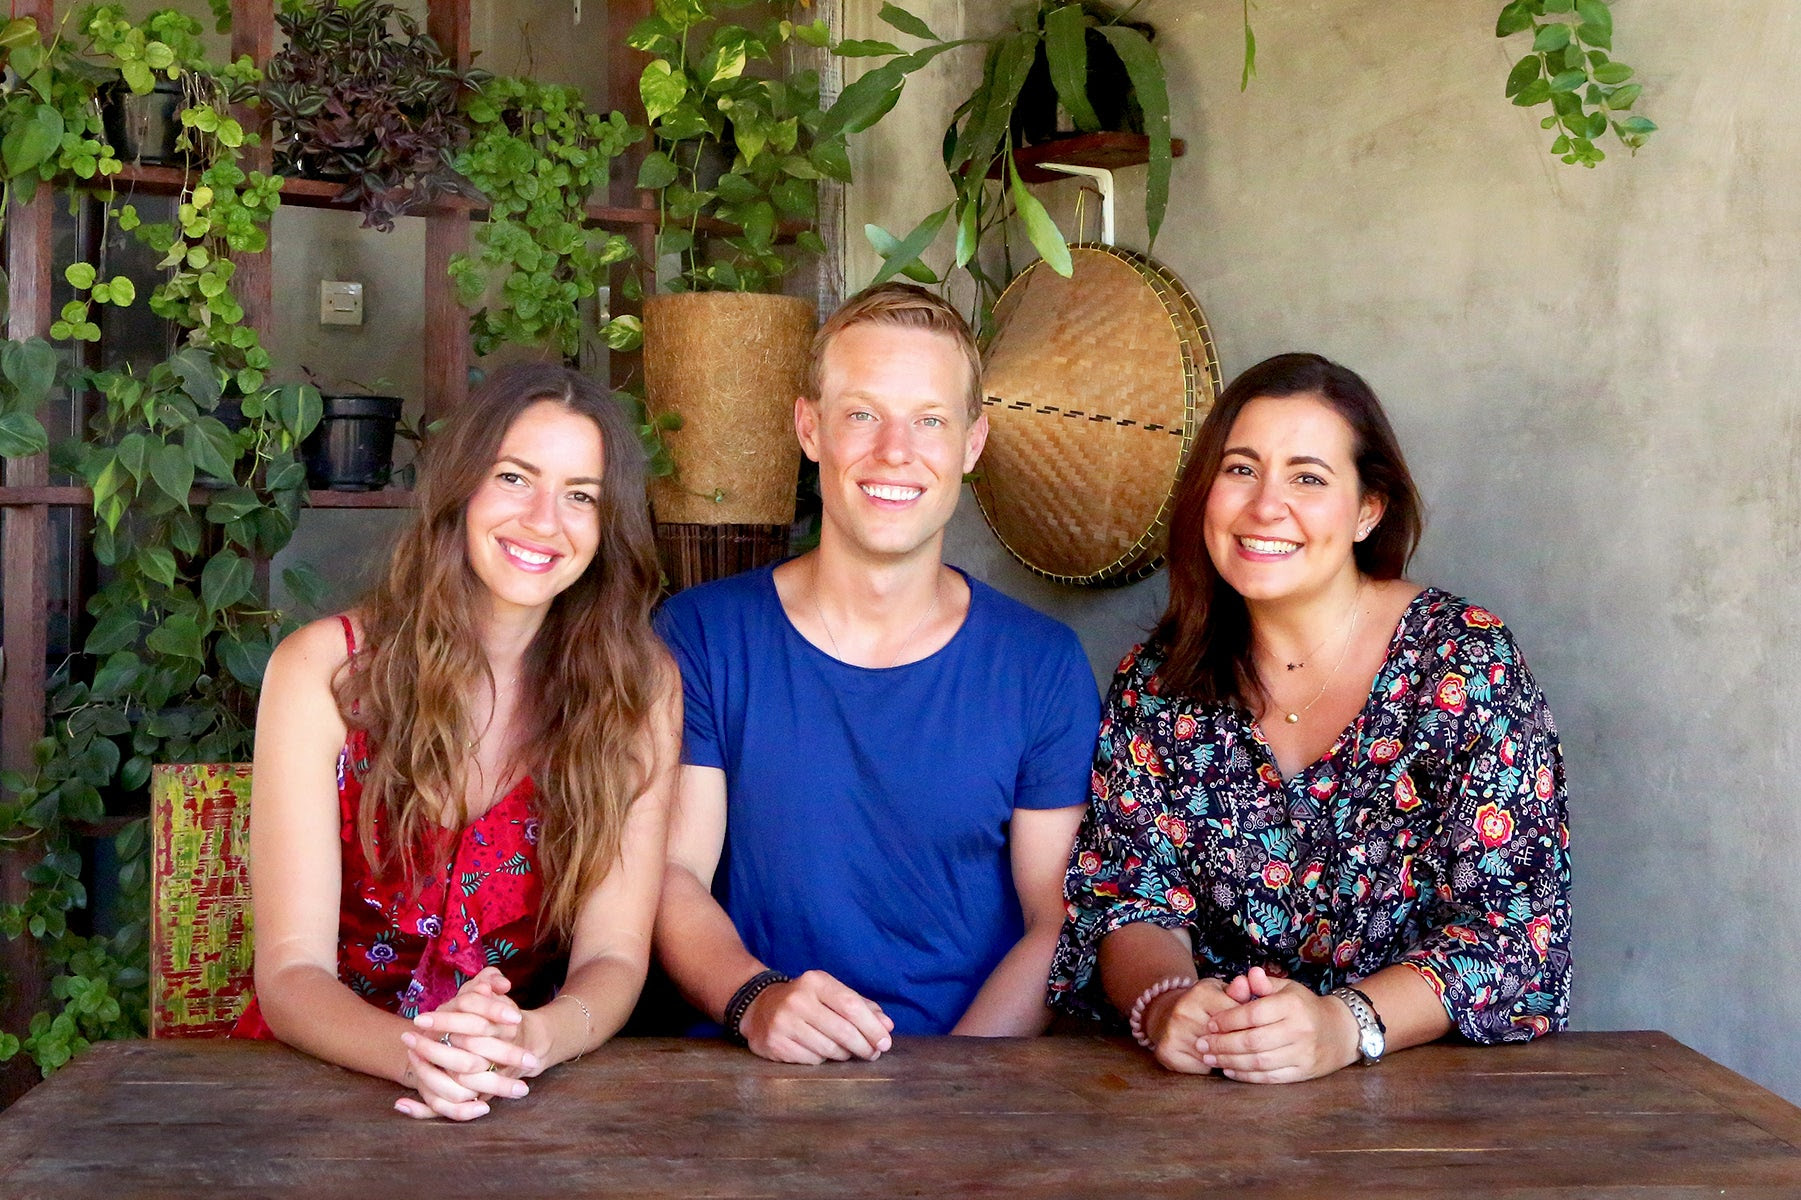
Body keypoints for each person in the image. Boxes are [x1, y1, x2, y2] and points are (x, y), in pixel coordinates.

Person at [1048, 352, 1571, 1083]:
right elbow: (1123, 894)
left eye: (1307, 477)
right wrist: (1169, 1005)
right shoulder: (1159, 682)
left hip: (1430, 1111)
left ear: (1367, 509)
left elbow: (1520, 935)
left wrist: (1343, 1024)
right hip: (1205, 1108)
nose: (1265, 505)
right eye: (1239, 470)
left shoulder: (1460, 664)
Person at [652, 282, 1100, 1062]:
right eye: (862, 414)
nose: (895, 450)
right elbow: (671, 875)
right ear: (809, 427)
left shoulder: (1041, 665)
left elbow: (1053, 919)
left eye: (929, 420)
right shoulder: (704, 635)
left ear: (970, 444)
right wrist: (754, 1001)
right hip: (749, 1071)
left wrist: (954, 1089)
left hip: (973, 1079)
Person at [237, 364, 680, 1120]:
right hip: (317, 1083)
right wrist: (416, 1056)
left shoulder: (637, 694)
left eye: (580, 496)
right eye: (515, 478)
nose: (545, 520)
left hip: (511, 1089)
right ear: (461, 487)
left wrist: (531, 1040)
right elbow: (289, 971)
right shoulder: (325, 671)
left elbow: (613, 956)